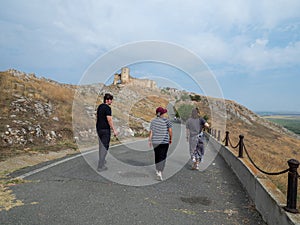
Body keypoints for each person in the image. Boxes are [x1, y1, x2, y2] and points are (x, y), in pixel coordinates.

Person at [148, 106, 172, 181]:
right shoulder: (167, 121)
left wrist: (150, 140)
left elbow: (151, 131)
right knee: (163, 156)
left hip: (155, 141)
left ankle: (157, 170)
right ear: (162, 113)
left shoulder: (153, 121)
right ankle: (160, 171)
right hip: (164, 142)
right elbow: (170, 131)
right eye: (164, 113)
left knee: (157, 155)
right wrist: (170, 139)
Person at [96, 93, 118, 172]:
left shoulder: (100, 107)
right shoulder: (107, 108)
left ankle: (102, 160)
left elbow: (97, 117)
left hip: (99, 129)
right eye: (111, 100)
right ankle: (100, 166)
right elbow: (109, 120)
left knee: (101, 146)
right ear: (107, 100)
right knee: (105, 147)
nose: (111, 102)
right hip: (105, 130)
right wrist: (114, 130)